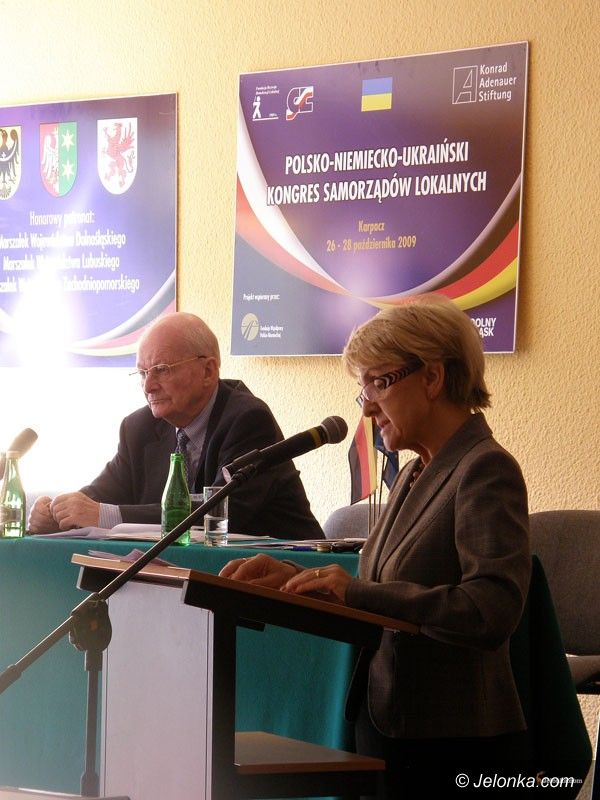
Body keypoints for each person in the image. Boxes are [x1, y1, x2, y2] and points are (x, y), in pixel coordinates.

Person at [220, 295, 531, 797]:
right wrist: (297, 581)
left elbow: (490, 609)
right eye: (362, 388)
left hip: (451, 739)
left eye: (378, 383)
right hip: (391, 721)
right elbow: (383, 589)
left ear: (432, 377)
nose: (366, 406)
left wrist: (355, 592)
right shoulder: (412, 472)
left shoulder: (485, 469)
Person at [28, 312, 323, 540]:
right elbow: (101, 495)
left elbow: (218, 514)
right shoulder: (139, 428)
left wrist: (102, 515)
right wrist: (59, 513)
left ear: (208, 371)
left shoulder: (248, 420)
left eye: (161, 370)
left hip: (288, 579)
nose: (149, 386)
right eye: (142, 373)